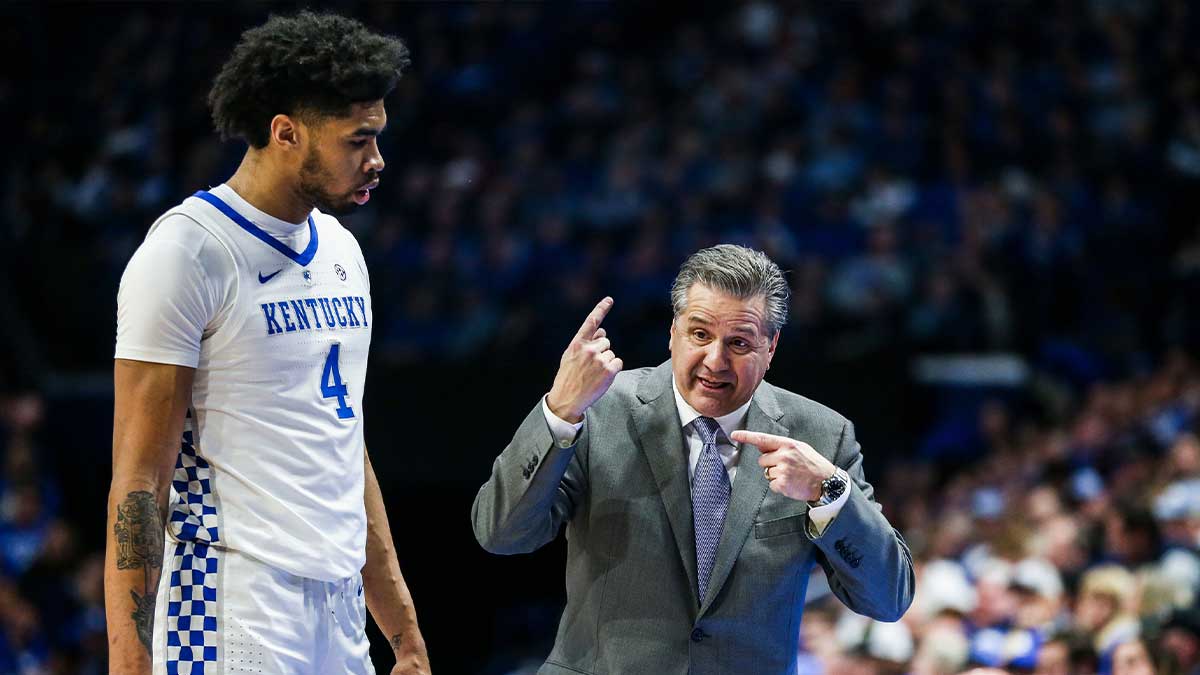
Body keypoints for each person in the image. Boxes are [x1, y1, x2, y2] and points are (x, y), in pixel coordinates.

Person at [104, 12, 430, 674]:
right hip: (228, 603)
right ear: (286, 133)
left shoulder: (342, 251)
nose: (377, 160)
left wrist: (403, 632)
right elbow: (139, 482)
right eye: (358, 141)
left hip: (338, 609)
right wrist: (128, 663)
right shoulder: (187, 253)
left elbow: (343, 447)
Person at [473, 244, 914, 673]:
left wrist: (829, 493)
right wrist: (560, 413)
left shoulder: (821, 436)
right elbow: (501, 533)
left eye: (739, 343)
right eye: (700, 334)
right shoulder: (599, 409)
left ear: (771, 347)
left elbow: (887, 599)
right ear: (673, 333)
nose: (715, 360)